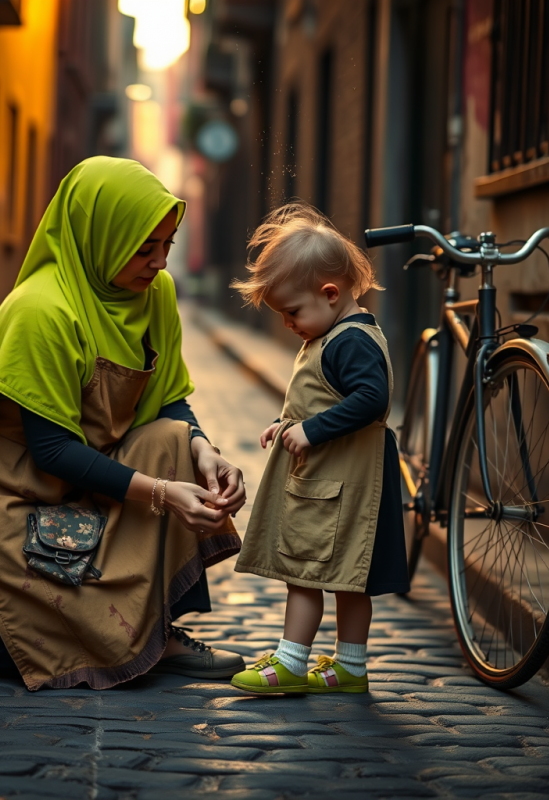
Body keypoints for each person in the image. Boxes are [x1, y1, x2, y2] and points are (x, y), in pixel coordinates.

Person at [0, 156, 246, 691]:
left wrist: (205, 450)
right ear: (102, 237)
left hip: (91, 476)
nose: (160, 261)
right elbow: (52, 451)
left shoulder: (157, 295)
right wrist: (162, 493)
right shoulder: (40, 311)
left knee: (175, 442)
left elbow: (170, 402)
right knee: (22, 657)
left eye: (168, 244)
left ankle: (160, 632)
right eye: (145, 247)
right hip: (5, 491)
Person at [228, 201, 409, 694]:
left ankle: (291, 661)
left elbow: (371, 399)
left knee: (305, 573)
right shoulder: (335, 333)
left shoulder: (350, 342)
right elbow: (324, 397)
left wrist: (310, 431)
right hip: (336, 484)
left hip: (344, 487)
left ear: (330, 294)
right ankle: (350, 667)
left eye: (292, 312)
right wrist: (285, 423)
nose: (288, 324)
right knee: (349, 578)